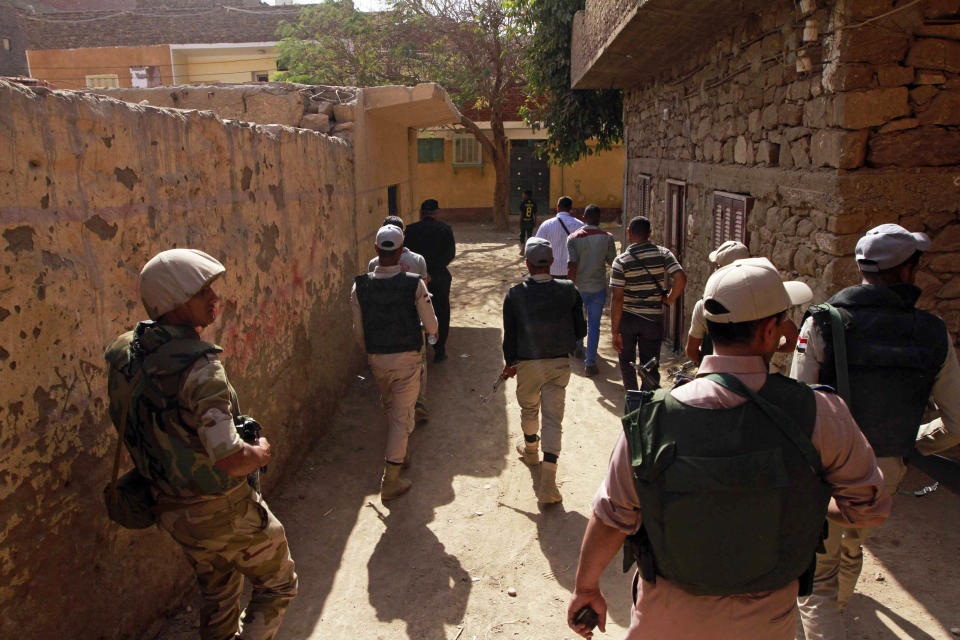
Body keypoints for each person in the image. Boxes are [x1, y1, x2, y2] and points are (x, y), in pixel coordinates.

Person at [567, 257, 891, 640]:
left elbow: (612, 515)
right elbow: (868, 508)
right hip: (767, 619)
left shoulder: (654, 417)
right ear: (770, 330)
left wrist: (587, 589)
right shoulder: (822, 413)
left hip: (666, 613)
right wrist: (808, 498)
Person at [104, 248, 298, 640]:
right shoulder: (200, 368)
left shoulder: (127, 352)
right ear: (174, 303)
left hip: (172, 508)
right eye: (201, 292)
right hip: (222, 511)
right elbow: (228, 457)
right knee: (278, 584)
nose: (214, 298)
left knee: (219, 591)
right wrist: (260, 452)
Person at [791, 223, 960, 640]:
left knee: (818, 578)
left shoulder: (824, 323)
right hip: (888, 471)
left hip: (829, 472)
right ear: (907, 271)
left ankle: (831, 624)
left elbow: (799, 407)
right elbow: (958, 420)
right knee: (852, 544)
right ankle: (841, 610)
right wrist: (909, 445)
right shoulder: (932, 331)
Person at [351, 225, 439, 500]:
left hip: (377, 358)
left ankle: (401, 453)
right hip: (407, 358)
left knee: (391, 406)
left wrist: (372, 352)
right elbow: (431, 324)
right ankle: (391, 478)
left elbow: (358, 330)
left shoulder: (360, 285)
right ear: (401, 252)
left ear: (376, 250)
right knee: (402, 415)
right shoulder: (414, 282)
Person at [501, 237, 587, 503]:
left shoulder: (515, 294)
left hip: (527, 363)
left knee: (529, 409)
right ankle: (548, 484)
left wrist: (510, 363)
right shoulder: (568, 290)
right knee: (553, 418)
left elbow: (510, 336)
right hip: (558, 363)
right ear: (551, 262)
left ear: (527, 263)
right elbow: (581, 330)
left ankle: (530, 451)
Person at [683, 240, 792, 364]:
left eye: (716, 266)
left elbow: (691, 351)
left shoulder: (705, 306)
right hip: (758, 379)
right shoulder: (767, 305)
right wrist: (768, 348)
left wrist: (705, 364)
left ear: (719, 268)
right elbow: (792, 341)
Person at [610, 216, 687, 390]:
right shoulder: (663, 254)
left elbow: (617, 298)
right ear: (649, 234)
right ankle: (648, 404)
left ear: (629, 233)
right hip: (652, 319)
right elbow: (680, 278)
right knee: (650, 365)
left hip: (627, 320)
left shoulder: (621, 261)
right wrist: (669, 299)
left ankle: (632, 403)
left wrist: (615, 331)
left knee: (627, 364)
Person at [369, 215, 431, 422]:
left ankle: (393, 406)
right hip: (412, 323)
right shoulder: (417, 260)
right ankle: (418, 402)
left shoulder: (373, 264)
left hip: (383, 326)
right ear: (403, 236)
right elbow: (424, 290)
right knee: (419, 364)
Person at [567, 204, 617, 376]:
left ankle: (578, 347)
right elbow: (613, 262)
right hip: (598, 287)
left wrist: (569, 286)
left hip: (579, 287)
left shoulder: (573, 238)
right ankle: (590, 363)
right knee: (593, 325)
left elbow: (572, 266)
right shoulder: (608, 238)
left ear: (584, 218)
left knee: (579, 319)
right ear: (599, 220)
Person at [404, 199, 455, 362]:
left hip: (416, 278)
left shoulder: (411, 230)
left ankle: (421, 346)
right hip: (439, 276)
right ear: (436, 213)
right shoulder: (445, 229)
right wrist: (433, 270)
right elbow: (450, 254)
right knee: (441, 311)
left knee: (417, 310)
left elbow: (406, 253)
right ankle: (439, 350)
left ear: (421, 213)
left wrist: (424, 272)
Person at [535, 196, 585, 279]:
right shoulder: (580, 225)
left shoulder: (546, 224)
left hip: (551, 269)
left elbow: (537, 246)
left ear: (557, 207)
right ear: (570, 209)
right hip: (572, 271)